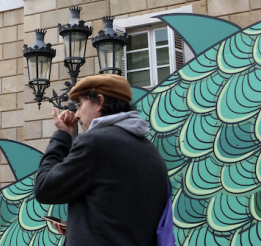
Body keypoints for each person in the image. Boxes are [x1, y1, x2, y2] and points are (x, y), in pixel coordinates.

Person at [34, 74, 168, 246]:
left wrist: (62, 136)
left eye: (80, 105)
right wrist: (79, 228)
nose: (77, 115)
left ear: (99, 102)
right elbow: (121, 218)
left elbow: (44, 188)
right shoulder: (149, 149)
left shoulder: (96, 142)